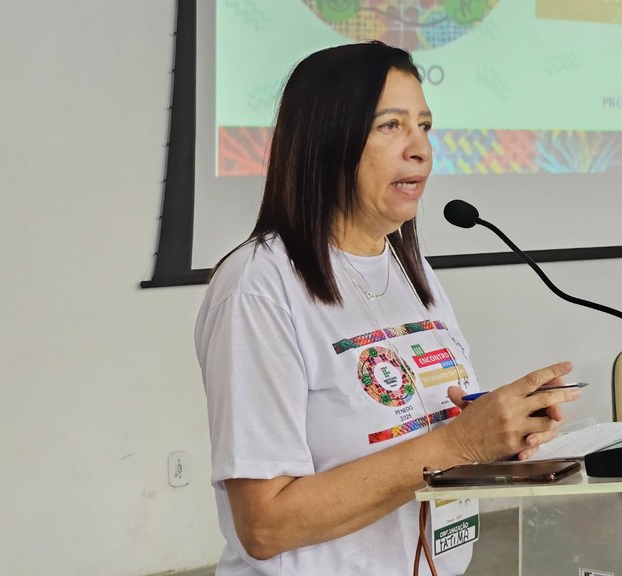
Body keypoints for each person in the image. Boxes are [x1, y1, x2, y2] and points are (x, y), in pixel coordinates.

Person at [194, 41, 580, 575]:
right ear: (326, 142)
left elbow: (427, 437)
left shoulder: (406, 270)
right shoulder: (259, 286)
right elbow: (264, 526)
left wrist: (498, 432)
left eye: (425, 126)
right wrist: (460, 443)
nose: (420, 149)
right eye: (391, 126)